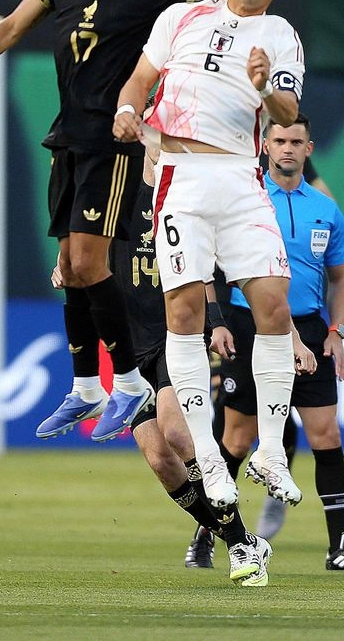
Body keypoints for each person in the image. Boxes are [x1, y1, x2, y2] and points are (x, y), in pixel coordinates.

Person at [0, 0, 231, 443]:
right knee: (69, 267)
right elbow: (12, 27)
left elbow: (217, 17)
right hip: (68, 137)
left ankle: (133, 381)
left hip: (111, 141)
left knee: (91, 261)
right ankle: (88, 387)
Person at [112, 0, 308, 546]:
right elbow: (141, 81)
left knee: (274, 304)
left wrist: (264, 86)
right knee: (186, 312)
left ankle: (271, 454)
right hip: (182, 173)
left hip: (240, 176)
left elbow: (285, 114)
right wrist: (125, 110)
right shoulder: (183, 16)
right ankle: (211, 462)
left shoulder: (280, 37)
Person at [102, 129, 271, 586]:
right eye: (158, 138)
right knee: (159, 458)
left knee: (177, 429)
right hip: (127, 345)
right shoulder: (116, 195)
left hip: (175, 335)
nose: (165, 147)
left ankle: (236, 545)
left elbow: (207, 273)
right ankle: (241, 539)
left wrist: (215, 320)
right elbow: (88, 249)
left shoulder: (186, 197)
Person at [216, 115, 344, 572]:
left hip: (309, 328)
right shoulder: (247, 202)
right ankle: (209, 536)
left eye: (296, 142)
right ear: (265, 146)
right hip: (250, 324)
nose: (287, 149)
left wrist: (336, 331)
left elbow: (340, 279)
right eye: (279, 140)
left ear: (310, 149)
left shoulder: (325, 209)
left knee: (326, 434)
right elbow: (218, 267)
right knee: (236, 437)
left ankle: (340, 547)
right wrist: (218, 323)